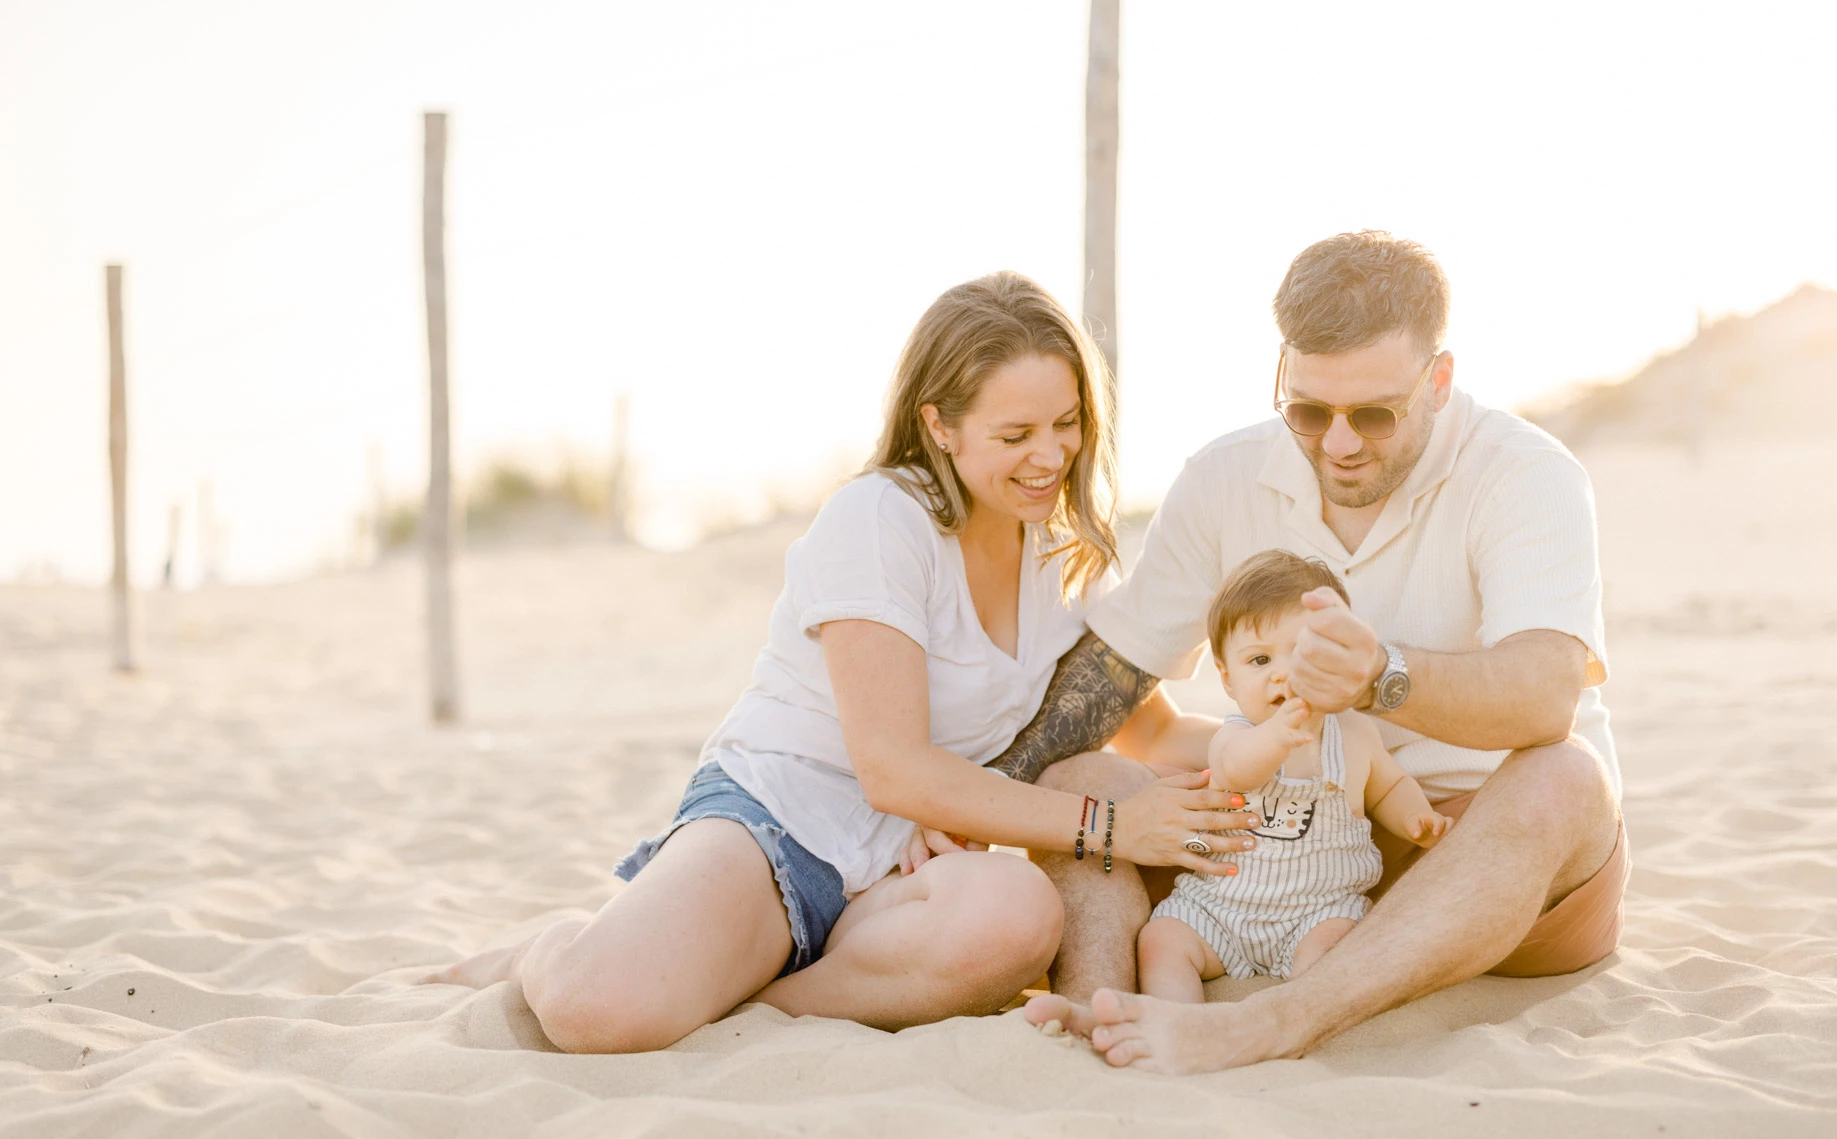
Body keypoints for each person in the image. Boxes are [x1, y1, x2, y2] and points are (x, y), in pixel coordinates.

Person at [423, 271, 1256, 1053]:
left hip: (905, 875)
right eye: (1016, 435)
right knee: (599, 1014)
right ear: (939, 426)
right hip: (779, 828)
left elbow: (1146, 732)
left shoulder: (1066, 557)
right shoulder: (880, 521)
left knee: (1017, 917)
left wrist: (1277, 731)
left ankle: (759, 1000)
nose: (1051, 455)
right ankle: (552, 949)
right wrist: (1110, 829)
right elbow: (892, 770)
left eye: (1067, 424)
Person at [994, 231, 1628, 1073]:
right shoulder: (1224, 475)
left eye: (1374, 414)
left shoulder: (1524, 473)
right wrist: (970, 804)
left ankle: (1278, 1021)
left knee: (1567, 777)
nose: (1338, 443)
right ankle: (1101, 1014)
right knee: (1081, 778)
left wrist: (1382, 676)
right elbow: (1113, 672)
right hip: (1261, 851)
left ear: (1439, 381)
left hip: (1469, 850)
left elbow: (1546, 696)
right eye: (1307, 411)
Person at [1137, 550, 1452, 1002]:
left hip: (1320, 912)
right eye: (1259, 660)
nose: (1282, 673)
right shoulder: (1233, 738)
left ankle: (1293, 1011)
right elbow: (1237, 773)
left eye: (1303, 654)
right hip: (1220, 909)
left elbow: (1390, 787)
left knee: (1337, 950)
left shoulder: (1355, 734)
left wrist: (1415, 818)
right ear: (1227, 680)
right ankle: (1178, 1017)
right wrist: (1278, 737)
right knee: (1162, 939)